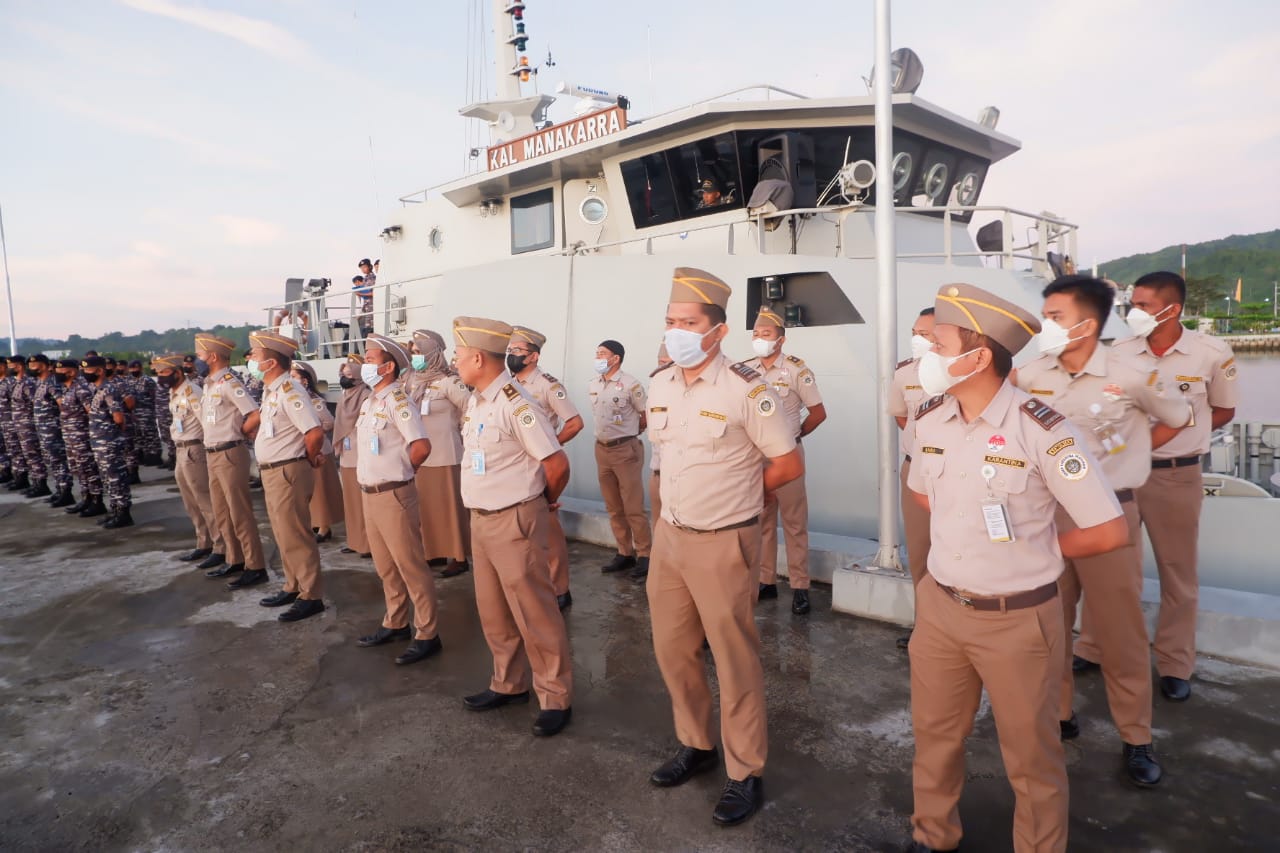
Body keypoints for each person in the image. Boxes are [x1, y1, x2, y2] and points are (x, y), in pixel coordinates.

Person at [904, 283, 1129, 853]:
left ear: (977, 356)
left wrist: (1036, 549)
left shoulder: (1043, 430)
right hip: (940, 610)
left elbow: (1108, 529)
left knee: (1031, 757)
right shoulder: (929, 420)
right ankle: (933, 837)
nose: (926, 352)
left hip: (1017, 621)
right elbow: (927, 496)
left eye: (939, 342)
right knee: (933, 739)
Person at [1017, 274, 1192, 788]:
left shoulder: (1131, 372)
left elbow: (1177, 416)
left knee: (1120, 635)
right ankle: (1060, 715)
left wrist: (1132, 452)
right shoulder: (1030, 375)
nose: (1046, 325)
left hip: (1110, 515)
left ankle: (1136, 738)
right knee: (1050, 626)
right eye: (1045, 316)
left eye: (1056, 318)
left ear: (1088, 324)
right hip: (1049, 517)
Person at [646, 267, 801, 826]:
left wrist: (741, 494)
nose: (676, 332)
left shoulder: (746, 389)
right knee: (673, 649)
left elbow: (787, 462)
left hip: (723, 542)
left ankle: (745, 770)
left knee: (734, 659)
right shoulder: (660, 383)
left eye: (688, 322)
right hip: (670, 537)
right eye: (670, 321)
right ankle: (697, 744)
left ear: (717, 331)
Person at [1072, 271, 1238, 704]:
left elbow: (1223, 410)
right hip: (1118, 477)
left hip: (1175, 475)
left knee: (1177, 573)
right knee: (1106, 568)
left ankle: (1175, 663)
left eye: (1142, 306)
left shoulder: (1211, 353)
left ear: (1172, 309)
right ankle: (1091, 646)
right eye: (1132, 304)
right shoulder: (1118, 353)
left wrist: (1184, 435)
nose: (1133, 313)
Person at [452, 316, 574, 738]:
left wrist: (542, 501)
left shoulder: (516, 403)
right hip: (482, 519)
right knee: (493, 610)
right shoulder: (477, 400)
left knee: (533, 611)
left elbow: (556, 463)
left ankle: (555, 695)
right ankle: (509, 682)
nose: (454, 361)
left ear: (479, 359)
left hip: (514, 518)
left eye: (459, 355)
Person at [353, 333, 445, 665]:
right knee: (385, 566)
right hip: (370, 494)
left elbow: (420, 445)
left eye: (370, 359)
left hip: (393, 493)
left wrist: (402, 473)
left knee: (410, 566)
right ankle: (395, 621)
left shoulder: (398, 402)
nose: (365, 364)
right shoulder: (370, 401)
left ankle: (427, 632)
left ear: (388, 366)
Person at [746, 308, 827, 615]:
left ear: (780, 339)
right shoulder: (746, 370)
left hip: (788, 457)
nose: (759, 340)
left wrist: (793, 438)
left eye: (765, 335)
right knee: (762, 521)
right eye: (755, 334)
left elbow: (818, 413)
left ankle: (800, 587)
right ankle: (766, 581)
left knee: (794, 524)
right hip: (757, 459)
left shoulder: (796, 370)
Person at [247, 330, 327, 622]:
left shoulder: (291, 391)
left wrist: (306, 458)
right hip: (274, 471)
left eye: (255, 356)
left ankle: (311, 594)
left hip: (287, 469)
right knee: (283, 532)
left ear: (271, 362)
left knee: (295, 533)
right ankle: (293, 585)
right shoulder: (272, 391)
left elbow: (314, 432)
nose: (251, 360)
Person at [508, 325, 583, 605]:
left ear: (533, 357)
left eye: (518, 350)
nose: (511, 355)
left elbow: (575, 423)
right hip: (515, 466)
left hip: (540, 465)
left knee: (548, 529)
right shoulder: (509, 384)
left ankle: (560, 588)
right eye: (510, 350)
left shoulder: (548, 386)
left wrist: (550, 446)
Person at [195, 333, 269, 585]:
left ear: (213, 357)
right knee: (222, 511)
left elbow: (254, 412)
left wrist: (243, 431)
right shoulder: (210, 384)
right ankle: (234, 559)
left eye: (200, 356)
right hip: (213, 452)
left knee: (239, 512)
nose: (198, 360)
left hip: (229, 452)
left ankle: (255, 565)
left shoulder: (229, 382)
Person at [888, 307, 937, 648]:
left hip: (957, 475)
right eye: (914, 331)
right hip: (916, 469)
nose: (916, 338)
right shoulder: (905, 373)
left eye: (926, 333)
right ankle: (926, 628)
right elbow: (902, 418)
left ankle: (956, 631)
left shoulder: (965, 374)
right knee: (920, 554)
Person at [406, 329, 472, 578]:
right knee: (426, 508)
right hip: (421, 455)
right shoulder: (414, 381)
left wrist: (463, 435)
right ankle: (432, 551)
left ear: (432, 353)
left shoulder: (449, 381)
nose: (415, 357)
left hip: (446, 454)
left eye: (419, 352)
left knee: (450, 507)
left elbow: (469, 409)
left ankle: (458, 556)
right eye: (413, 353)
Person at [589, 339, 652, 580]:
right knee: (613, 506)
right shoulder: (594, 384)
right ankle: (625, 553)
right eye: (597, 353)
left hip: (625, 450)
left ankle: (645, 555)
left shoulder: (630, 384)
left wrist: (632, 432)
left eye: (602, 354)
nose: (598, 358)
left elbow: (644, 414)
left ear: (615, 358)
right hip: (602, 450)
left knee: (633, 506)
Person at [152, 353, 223, 563]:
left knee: (205, 500)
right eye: (158, 374)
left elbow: (206, 423)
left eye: (164, 372)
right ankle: (203, 542)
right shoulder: (174, 393)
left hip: (195, 449)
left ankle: (220, 546)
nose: (161, 377)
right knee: (190, 502)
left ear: (177, 372)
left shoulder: (192, 392)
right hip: (181, 450)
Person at [291, 362, 344, 543]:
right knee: (309, 491)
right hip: (302, 451)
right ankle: (315, 523)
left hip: (319, 450)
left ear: (305, 381)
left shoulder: (316, 402)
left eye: (294, 377)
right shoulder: (295, 400)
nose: (291, 380)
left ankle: (324, 527)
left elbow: (329, 422)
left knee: (321, 491)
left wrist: (313, 430)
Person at [81, 356, 134, 528]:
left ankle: (124, 513)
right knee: (107, 478)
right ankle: (115, 510)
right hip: (100, 442)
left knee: (116, 478)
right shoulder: (98, 389)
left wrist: (112, 435)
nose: (85, 373)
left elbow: (119, 417)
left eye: (88, 370)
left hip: (109, 442)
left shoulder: (109, 389)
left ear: (100, 371)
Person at [333, 354, 372, 558]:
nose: (345, 378)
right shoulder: (344, 396)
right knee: (350, 502)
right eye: (343, 374)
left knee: (362, 502)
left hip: (362, 455)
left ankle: (368, 544)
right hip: (347, 457)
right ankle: (355, 541)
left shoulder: (365, 396)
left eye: (349, 374)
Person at [56, 359, 105, 517]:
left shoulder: (81, 388)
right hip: (70, 437)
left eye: (61, 371)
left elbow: (91, 411)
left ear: (71, 372)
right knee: (79, 470)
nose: (57, 374)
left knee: (89, 469)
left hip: (82, 437)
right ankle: (86, 499)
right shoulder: (67, 388)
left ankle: (97, 502)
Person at [29, 355, 75, 507]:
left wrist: (58, 423)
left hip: (53, 429)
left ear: (43, 365)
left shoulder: (52, 382)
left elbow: (62, 403)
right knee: (52, 461)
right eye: (30, 364)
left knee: (59, 461)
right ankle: (59, 490)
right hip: (43, 430)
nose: (31, 367)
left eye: (34, 364)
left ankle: (66, 492)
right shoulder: (39, 383)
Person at [9, 355, 47, 497]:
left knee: (33, 454)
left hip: (29, 425)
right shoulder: (17, 383)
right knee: (27, 455)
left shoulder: (29, 383)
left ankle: (41, 484)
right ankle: (35, 482)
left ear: (19, 366)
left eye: (12, 367)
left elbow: (34, 404)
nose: (9, 369)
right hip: (19, 425)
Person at [646, 343, 674, 534]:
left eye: (667, 363)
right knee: (658, 527)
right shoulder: (655, 387)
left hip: (680, 476)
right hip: (657, 472)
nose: (662, 367)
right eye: (660, 362)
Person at [129, 360, 163, 466]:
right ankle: (143, 457)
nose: (134, 371)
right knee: (139, 436)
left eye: (136, 368)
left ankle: (155, 457)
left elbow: (155, 397)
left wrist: (154, 411)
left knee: (150, 435)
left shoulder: (147, 380)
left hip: (147, 412)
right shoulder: (128, 381)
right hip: (135, 414)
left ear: (141, 369)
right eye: (132, 369)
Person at [0, 356, 27, 491]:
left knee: (17, 450)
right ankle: (11, 473)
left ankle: (21, 477)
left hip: (13, 421)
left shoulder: (11, 383)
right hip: (4, 422)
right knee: (8, 450)